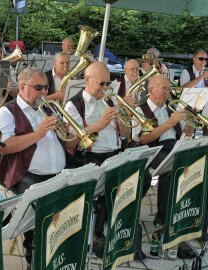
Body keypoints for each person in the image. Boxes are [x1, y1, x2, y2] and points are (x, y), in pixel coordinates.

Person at [0, 67, 77, 269]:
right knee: (44, 212)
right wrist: (38, 133)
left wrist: (68, 131)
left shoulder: (48, 108)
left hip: (57, 173)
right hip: (24, 174)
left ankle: (58, 255)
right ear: (22, 87)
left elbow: (72, 144)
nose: (44, 92)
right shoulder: (8, 111)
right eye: (38, 88)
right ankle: (34, 259)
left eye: (46, 87)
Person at [64, 62, 136, 258]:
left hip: (115, 152)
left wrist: (124, 117)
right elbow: (73, 140)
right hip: (89, 156)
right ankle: (97, 234)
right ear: (87, 80)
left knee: (141, 177)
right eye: (101, 84)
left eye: (108, 84)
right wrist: (101, 123)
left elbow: (126, 135)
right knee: (108, 181)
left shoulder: (110, 100)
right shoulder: (74, 104)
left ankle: (118, 222)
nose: (105, 89)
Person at [132, 74, 194, 227]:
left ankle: (185, 210)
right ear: (151, 90)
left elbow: (187, 132)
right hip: (152, 149)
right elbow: (142, 139)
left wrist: (191, 119)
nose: (168, 92)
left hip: (174, 145)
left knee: (196, 162)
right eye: (164, 89)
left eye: (169, 89)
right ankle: (163, 218)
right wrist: (169, 123)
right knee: (172, 167)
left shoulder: (171, 108)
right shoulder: (140, 110)